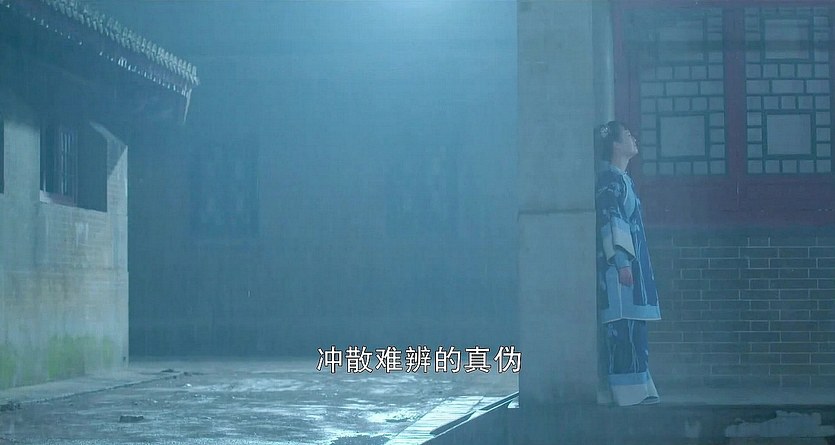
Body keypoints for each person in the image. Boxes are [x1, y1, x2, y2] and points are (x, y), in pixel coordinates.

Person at [594, 120, 661, 406]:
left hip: (630, 265)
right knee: (624, 330)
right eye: (628, 135)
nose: (634, 138)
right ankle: (628, 393)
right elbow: (611, 220)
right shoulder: (610, 180)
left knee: (634, 330)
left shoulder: (621, 179)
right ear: (615, 144)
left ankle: (640, 388)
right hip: (619, 268)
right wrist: (621, 261)